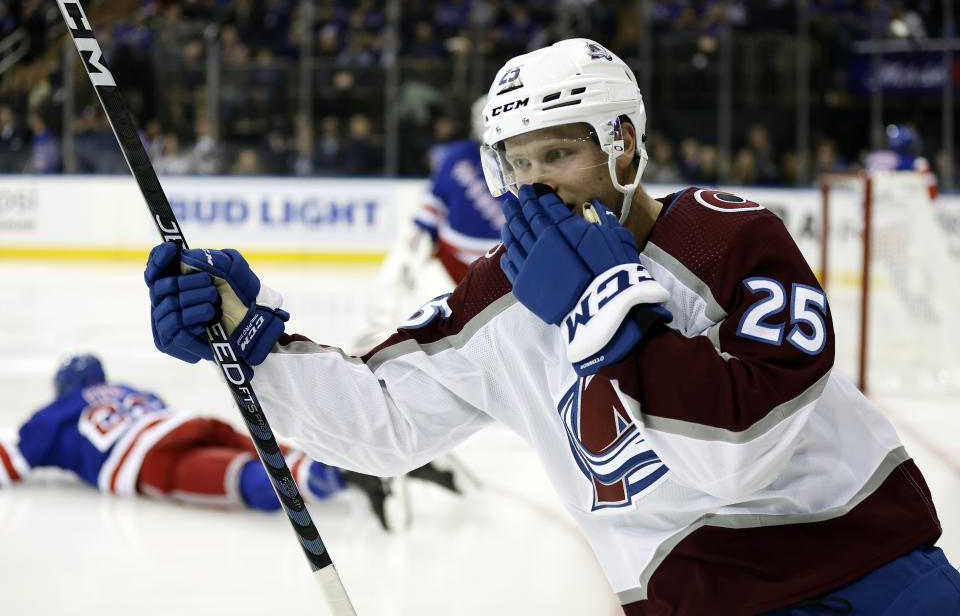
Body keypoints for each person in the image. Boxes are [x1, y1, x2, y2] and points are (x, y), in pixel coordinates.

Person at [143, 39, 960, 614]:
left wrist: (605, 301)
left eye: (559, 157)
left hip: (878, 577)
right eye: (517, 164)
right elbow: (383, 423)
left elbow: (736, 459)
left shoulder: (729, 237)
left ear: (624, 143)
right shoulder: (501, 289)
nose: (536, 189)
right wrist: (248, 338)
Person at [0, 355, 463, 531]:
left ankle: (346, 473)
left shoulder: (51, 414)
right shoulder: (130, 390)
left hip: (146, 460)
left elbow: (12, 465)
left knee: (259, 483)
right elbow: (157, 406)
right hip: (186, 422)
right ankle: (378, 458)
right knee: (276, 453)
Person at [351, 95, 507, 351]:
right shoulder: (468, 157)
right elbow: (428, 217)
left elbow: (426, 220)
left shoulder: (457, 155)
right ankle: (381, 324)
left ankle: (380, 326)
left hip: (465, 264)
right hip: (501, 265)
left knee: (408, 242)